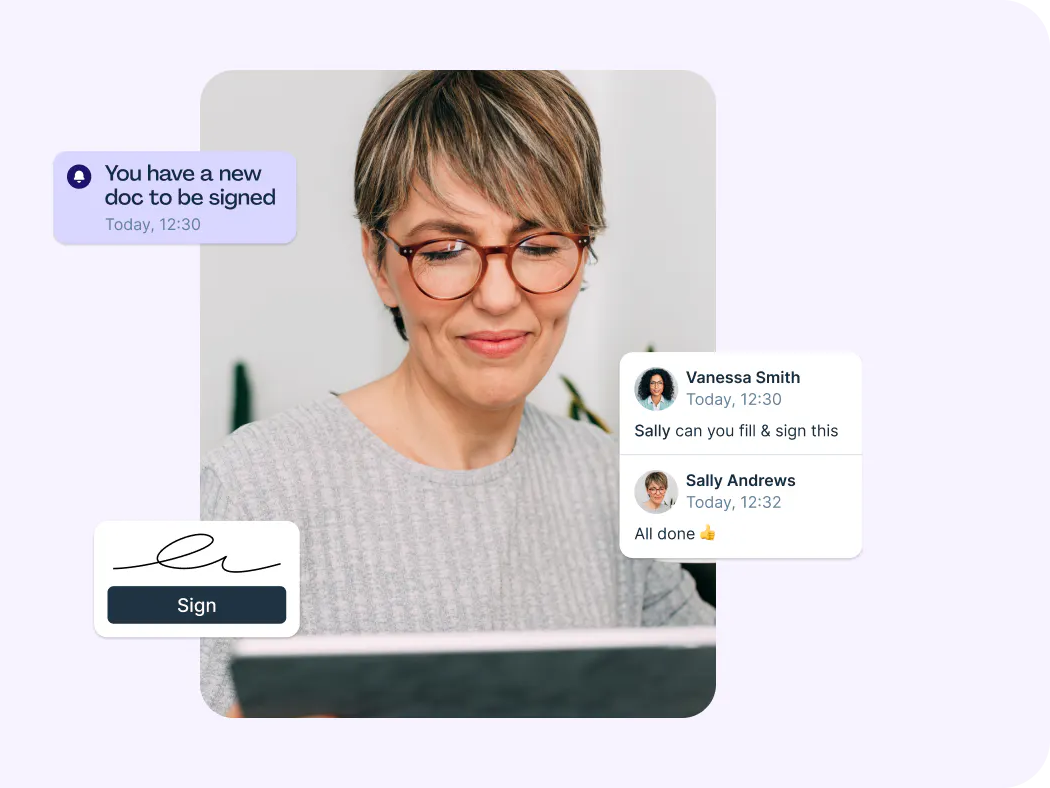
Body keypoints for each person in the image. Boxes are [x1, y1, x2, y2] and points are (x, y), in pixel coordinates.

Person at [200, 70, 714, 716]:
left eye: (539, 245)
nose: (498, 296)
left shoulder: (610, 481)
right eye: (445, 250)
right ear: (378, 262)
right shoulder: (252, 487)